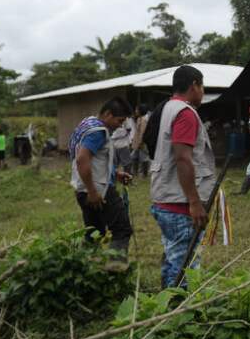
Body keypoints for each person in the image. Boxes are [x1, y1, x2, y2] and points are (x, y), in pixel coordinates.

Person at [148, 66, 215, 288]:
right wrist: (195, 202)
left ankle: (165, 303)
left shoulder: (166, 108)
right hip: (180, 204)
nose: (202, 91)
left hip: (165, 198)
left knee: (173, 259)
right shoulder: (185, 114)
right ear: (194, 85)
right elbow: (183, 158)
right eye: (202, 86)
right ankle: (179, 313)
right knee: (185, 266)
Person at [69, 97, 134, 273]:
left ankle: (87, 270)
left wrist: (116, 174)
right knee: (122, 229)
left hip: (82, 190)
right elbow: (83, 159)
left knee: (94, 233)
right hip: (98, 191)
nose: (119, 126)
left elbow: (94, 160)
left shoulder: (87, 124)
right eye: (119, 121)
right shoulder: (98, 131)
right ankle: (116, 271)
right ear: (107, 114)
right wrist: (93, 191)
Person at [132, 104, 150, 177]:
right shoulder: (139, 118)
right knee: (134, 157)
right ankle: (135, 173)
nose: (135, 111)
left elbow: (143, 132)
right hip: (136, 142)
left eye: (137, 109)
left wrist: (140, 142)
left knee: (144, 158)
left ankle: (145, 174)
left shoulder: (144, 119)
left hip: (141, 143)